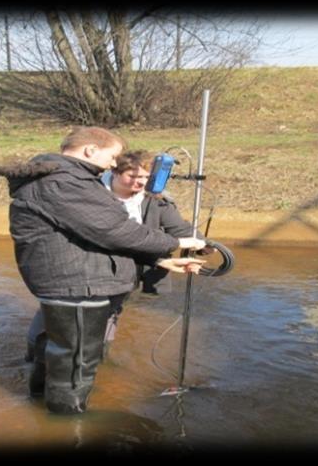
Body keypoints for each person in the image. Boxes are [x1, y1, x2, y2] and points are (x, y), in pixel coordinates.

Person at [0, 126, 206, 414]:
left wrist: (160, 260)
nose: (113, 164)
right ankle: (67, 422)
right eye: (113, 156)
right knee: (76, 361)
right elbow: (114, 230)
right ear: (90, 150)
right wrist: (176, 242)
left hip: (76, 280)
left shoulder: (66, 178)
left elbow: (93, 236)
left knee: (62, 354)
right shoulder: (64, 181)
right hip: (78, 283)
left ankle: (40, 405)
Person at [24, 150, 208, 364]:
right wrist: (160, 258)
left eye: (145, 177)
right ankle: (34, 360)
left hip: (124, 273)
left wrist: (205, 246)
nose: (139, 183)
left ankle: (93, 362)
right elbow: (106, 236)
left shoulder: (155, 200)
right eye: (132, 176)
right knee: (54, 316)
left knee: (108, 317)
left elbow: (180, 229)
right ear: (115, 172)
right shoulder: (90, 194)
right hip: (82, 268)